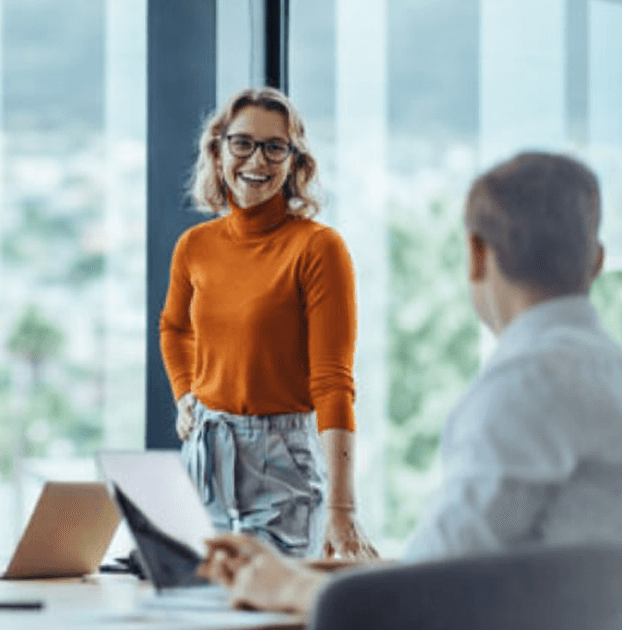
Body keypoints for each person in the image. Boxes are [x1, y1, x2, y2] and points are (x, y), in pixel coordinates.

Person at [200, 151, 622, 614]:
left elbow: (425, 600)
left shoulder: (525, 387)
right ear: (596, 261)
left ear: (476, 255)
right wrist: (296, 572)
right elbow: (461, 567)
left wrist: (285, 590)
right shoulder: (603, 376)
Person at [160, 87, 376, 559]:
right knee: (200, 609)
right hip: (206, 451)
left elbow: (333, 380)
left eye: (275, 147)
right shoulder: (194, 245)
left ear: (294, 162)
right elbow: (175, 328)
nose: (256, 159)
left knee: (273, 614)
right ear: (218, 151)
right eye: (242, 143)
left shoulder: (318, 248)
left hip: (282, 460)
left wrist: (343, 508)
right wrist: (185, 394)